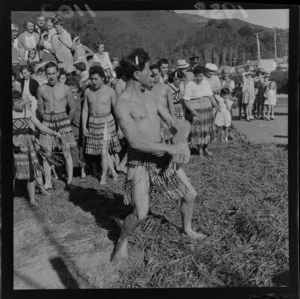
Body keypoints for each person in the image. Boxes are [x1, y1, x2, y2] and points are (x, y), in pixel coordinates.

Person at [112, 48, 206, 260]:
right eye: (148, 71)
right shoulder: (122, 103)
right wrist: (170, 148)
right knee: (141, 212)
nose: (152, 75)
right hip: (139, 160)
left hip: (162, 156)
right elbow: (134, 141)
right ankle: (121, 241)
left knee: (190, 194)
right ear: (137, 74)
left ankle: (187, 229)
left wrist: (181, 140)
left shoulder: (151, 96)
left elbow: (175, 123)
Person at [13, 90, 61, 205]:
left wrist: (54, 133)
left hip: (27, 146)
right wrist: (13, 141)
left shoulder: (27, 112)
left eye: (22, 100)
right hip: (13, 148)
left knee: (31, 173)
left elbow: (39, 126)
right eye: (18, 101)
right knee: (12, 173)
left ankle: (32, 200)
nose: (22, 103)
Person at [37, 62, 76, 190]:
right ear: (45, 74)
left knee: (66, 151)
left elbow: (73, 109)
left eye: (54, 73)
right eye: (49, 74)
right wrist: (47, 120)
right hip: (47, 120)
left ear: (58, 73)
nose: (52, 76)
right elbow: (41, 110)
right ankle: (48, 182)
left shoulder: (66, 89)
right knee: (46, 152)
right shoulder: (41, 89)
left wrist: (67, 123)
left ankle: (69, 181)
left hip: (63, 120)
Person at [82, 65, 121, 185]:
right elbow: (85, 109)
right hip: (93, 122)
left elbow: (117, 111)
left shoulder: (110, 91)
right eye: (92, 79)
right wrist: (84, 126)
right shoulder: (88, 91)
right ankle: (114, 173)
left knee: (104, 152)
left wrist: (120, 129)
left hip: (106, 123)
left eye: (96, 79)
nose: (93, 82)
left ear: (102, 78)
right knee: (103, 152)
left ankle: (103, 176)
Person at [183, 65, 220, 157]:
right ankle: (199, 150)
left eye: (201, 76)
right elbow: (186, 101)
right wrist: (192, 111)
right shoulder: (190, 84)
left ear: (203, 75)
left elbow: (210, 95)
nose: (199, 78)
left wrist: (216, 105)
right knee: (200, 131)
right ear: (194, 75)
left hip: (207, 108)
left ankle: (205, 148)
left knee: (208, 129)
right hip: (197, 109)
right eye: (197, 76)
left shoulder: (206, 82)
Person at [65, 76, 87, 178]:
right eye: (70, 88)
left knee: (82, 150)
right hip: (72, 128)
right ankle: (72, 171)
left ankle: (83, 170)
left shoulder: (81, 97)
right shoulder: (65, 99)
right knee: (73, 150)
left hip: (81, 126)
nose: (72, 90)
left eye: (74, 87)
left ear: (77, 87)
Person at [150, 64, 174, 143]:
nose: (154, 77)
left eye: (156, 74)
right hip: (154, 117)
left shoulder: (165, 87)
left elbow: (170, 104)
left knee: (170, 138)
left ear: (160, 73)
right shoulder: (146, 89)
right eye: (152, 75)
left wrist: (172, 117)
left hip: (166, 116)